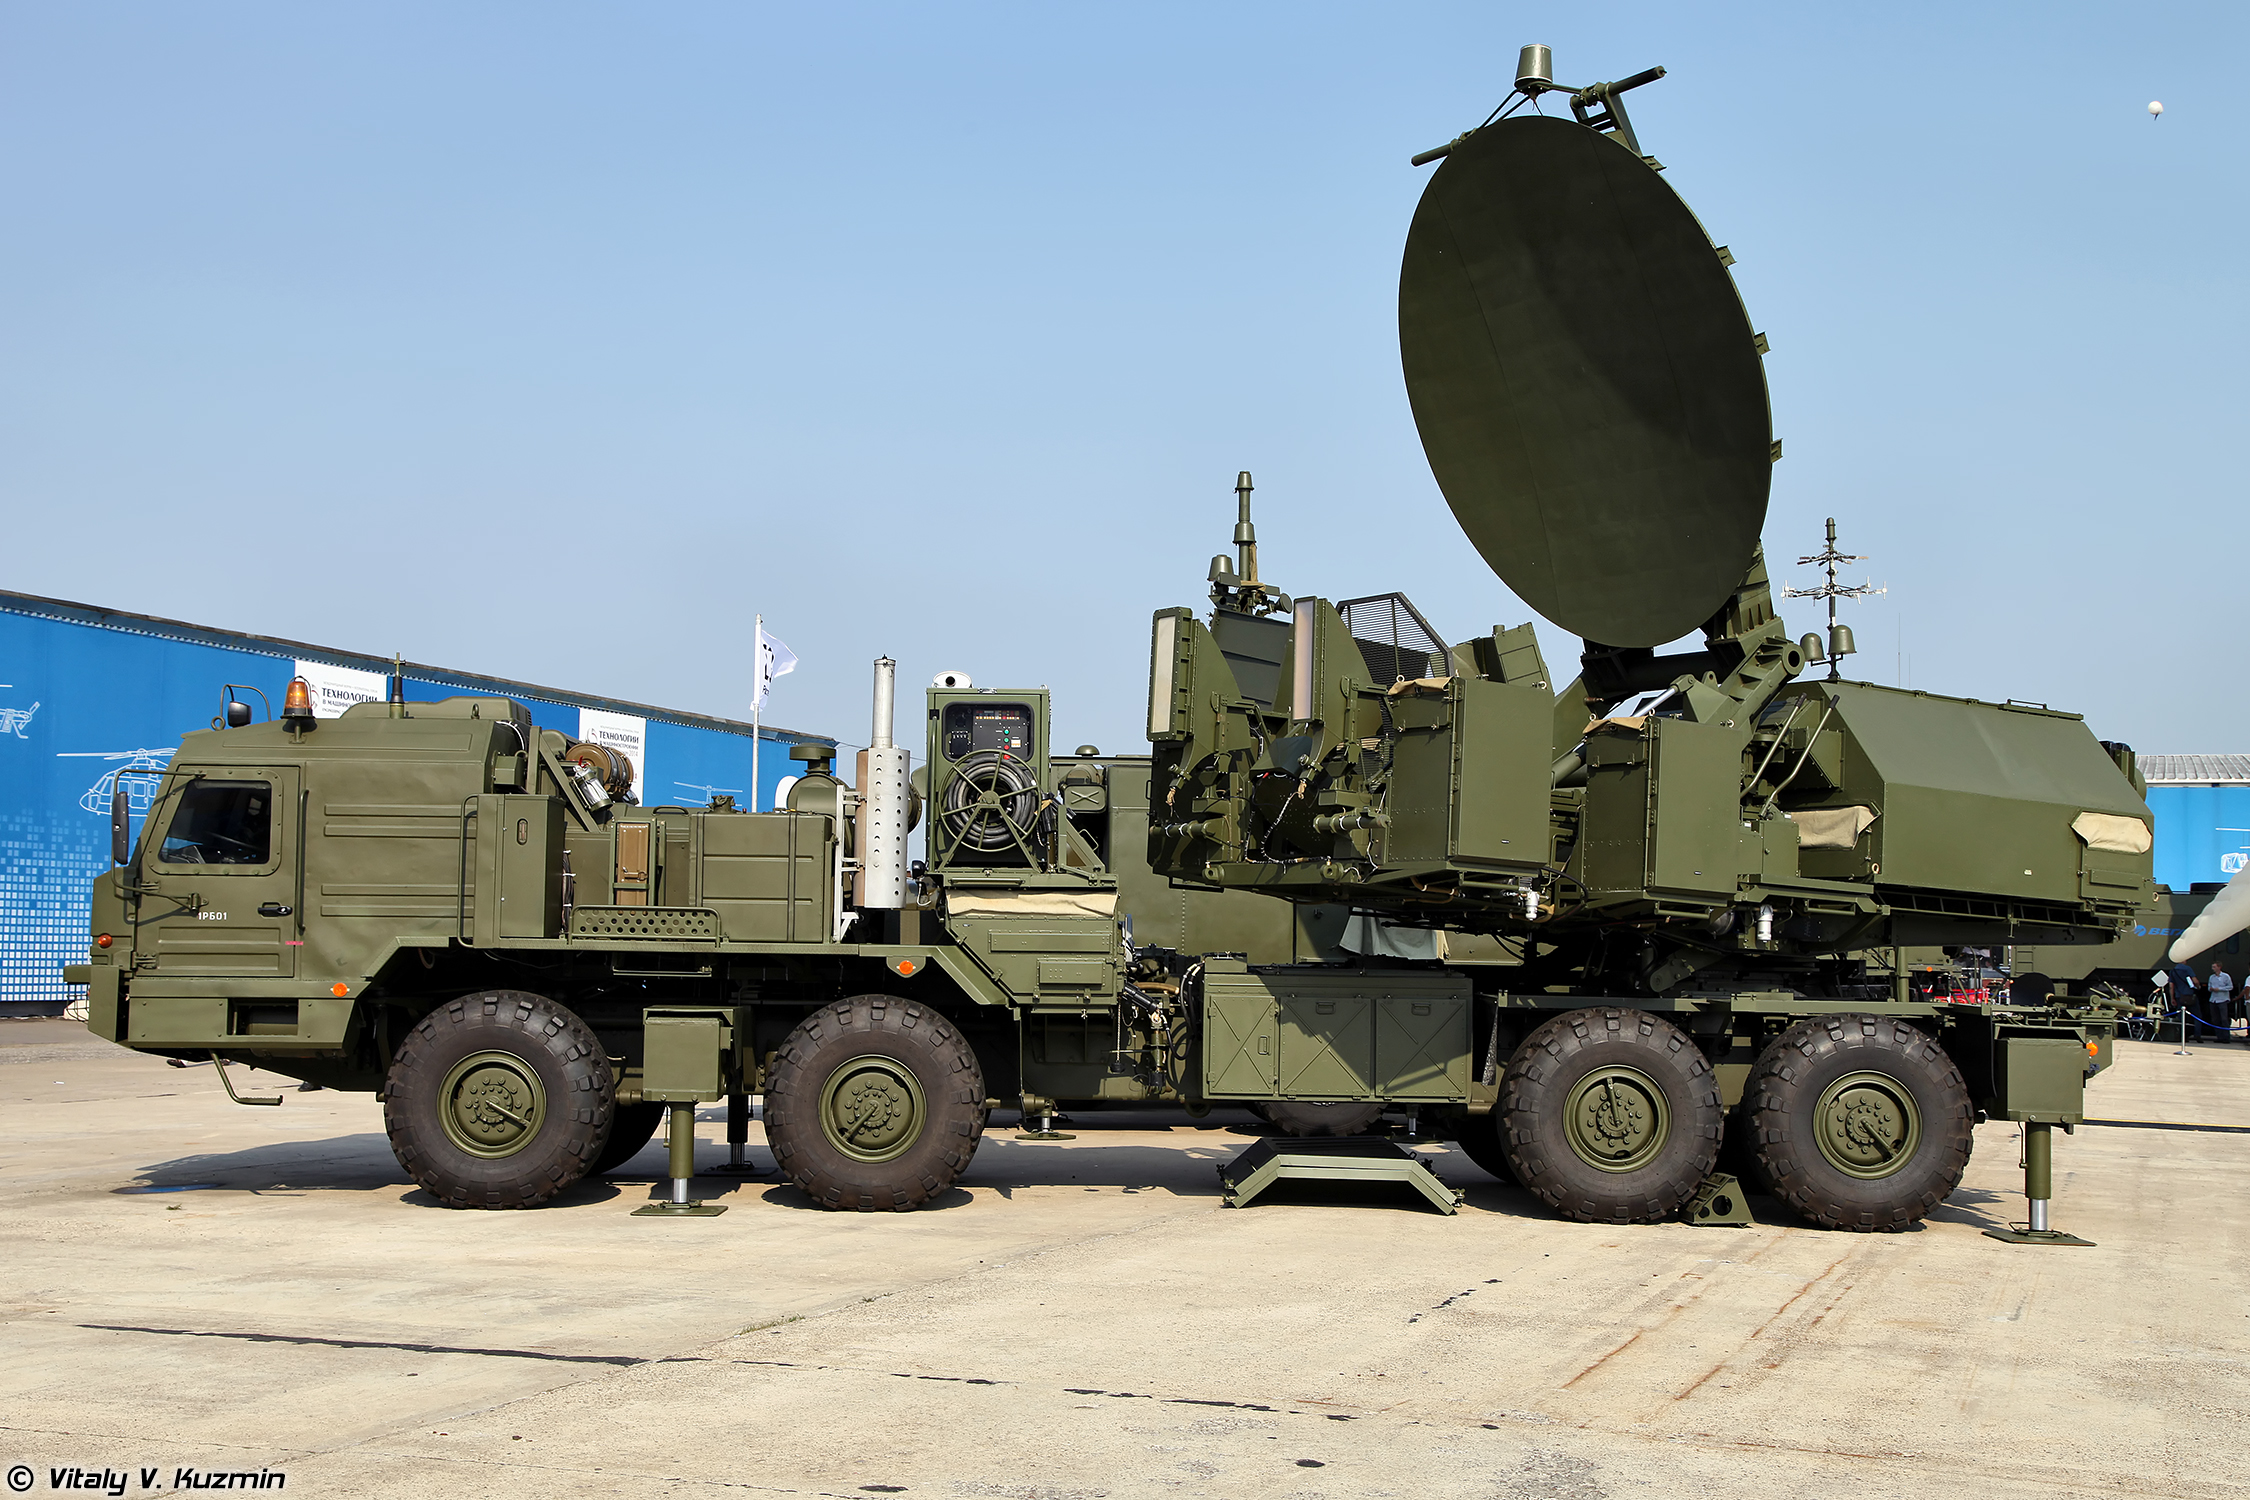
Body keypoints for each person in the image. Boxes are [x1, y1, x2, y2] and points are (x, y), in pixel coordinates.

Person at [2209, 961, 2238, 1042]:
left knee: (2224, 1019)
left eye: (2214, 967)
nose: (2213, 968)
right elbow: (2209, 986)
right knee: (2215, 1019)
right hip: (2213, 999)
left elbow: (2230, 987)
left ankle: (2226, 1037)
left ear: (2219, 967)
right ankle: (2219, 1037)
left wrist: (2220, 989)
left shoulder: (2226, 976)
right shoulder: (2212, 977)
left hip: (2222, 999)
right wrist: (2211, 989)